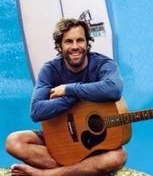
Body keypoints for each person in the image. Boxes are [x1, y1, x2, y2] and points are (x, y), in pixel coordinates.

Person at [5, 16, 127, 176]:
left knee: (118, 156)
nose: (75, 47)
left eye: (80, 40)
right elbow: (36, 111)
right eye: (69, 41)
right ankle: (86, 170)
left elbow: (114, 89)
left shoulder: (104, 64)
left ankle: (46, 174)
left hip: (93, 149)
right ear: (60, 46)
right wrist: (75, 97)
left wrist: (70, 89)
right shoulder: (50, 69)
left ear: (87, 43)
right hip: (58, 137)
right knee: (14, 141)